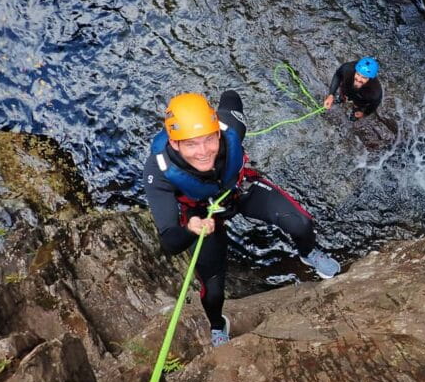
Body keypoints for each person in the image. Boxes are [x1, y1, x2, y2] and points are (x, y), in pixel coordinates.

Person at [143, 91, 340, 347]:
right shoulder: (158, 171)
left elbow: (231, 97)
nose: (203, 152)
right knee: (213, 291)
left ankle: (308, 253)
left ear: (217, 131)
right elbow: (169, 242)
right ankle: (218, 325)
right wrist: (191, 229)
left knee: (301, 224)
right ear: (174, 142)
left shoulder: (232, 128)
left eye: (209, 139)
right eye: (191, 144)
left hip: (239, 191)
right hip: (201, 216)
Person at [323, 57, 383, 122]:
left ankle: (355, 111)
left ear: (370, 78)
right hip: (347, 88)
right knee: (343, 93)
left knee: (358, 105)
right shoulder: (348, 68)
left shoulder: (375, 91)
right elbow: (338, 75)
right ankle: (341, 99)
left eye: (364, 77)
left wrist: (364, 113)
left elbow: (374, 104)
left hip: (361, 98)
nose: (359, 79)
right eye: (358, 74)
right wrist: (331, 95)